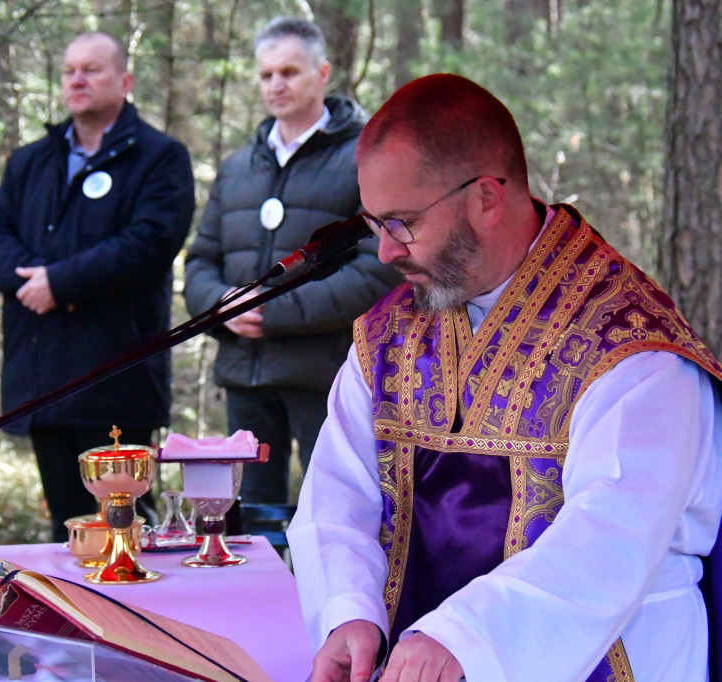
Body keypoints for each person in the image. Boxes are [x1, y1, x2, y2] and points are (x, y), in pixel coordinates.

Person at [287, 73, 722, 682]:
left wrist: (464, 635)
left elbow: (612, 541)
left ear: (486, 198)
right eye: (373, 223)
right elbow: (338, 493)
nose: (384, 252)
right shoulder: (389, 336)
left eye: (401, 223)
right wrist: (348, 613)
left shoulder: (631, 347)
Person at [0, 32, 194, 543]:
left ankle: (137, 624)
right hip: (42, 375)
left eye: (92, 69)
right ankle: (69, 623)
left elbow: (149, 242)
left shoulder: (160, 158)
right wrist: (30, 279)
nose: (76, 79)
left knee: (125, 528)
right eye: (70, 70)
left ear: (125, 80)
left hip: (115, 377)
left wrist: (61, 282)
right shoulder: (32, 161)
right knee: (65, 528)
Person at [183, 16, 400, 505]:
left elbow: (377, 268)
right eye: (266, 75)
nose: (276, 85)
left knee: (336, 513)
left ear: (322, 73)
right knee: (250, 525)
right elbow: (199, 261)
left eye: (289, 72)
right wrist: (223, 306)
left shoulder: (364, 158)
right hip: (245, 378)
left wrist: (273, 311)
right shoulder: (239, 167)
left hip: (323, 376)